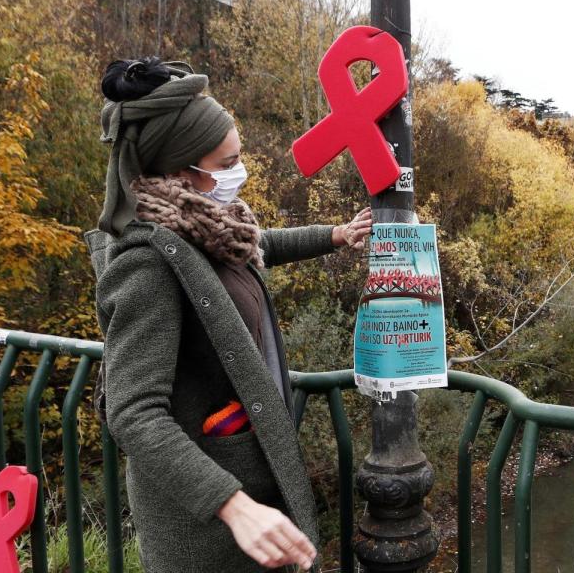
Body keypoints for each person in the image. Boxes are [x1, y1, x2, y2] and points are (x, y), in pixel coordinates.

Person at [83, 56, 371, 572]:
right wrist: (235, 508)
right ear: (179, 170)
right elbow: (133, 412)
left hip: (253, 494)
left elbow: (256, 248)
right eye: (226, 162)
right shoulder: (148, 260)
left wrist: (335, 235)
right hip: (210, 527)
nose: (239, 171)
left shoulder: (207, 226)